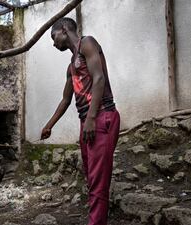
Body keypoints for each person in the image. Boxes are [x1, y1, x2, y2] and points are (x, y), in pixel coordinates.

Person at [40, 17, 120, 225]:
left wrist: (92, 118)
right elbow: (66, 99)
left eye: (53, 36)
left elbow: (99, 78)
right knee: (92, 177)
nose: (53, 42)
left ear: (64, 29)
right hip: (88, 120)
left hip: (101, 116)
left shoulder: (87, 44)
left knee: (97, 179)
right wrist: (49, 125)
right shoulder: (71, 66)